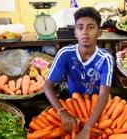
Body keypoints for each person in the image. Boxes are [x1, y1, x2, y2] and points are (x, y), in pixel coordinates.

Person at [44, 7, 114, 139]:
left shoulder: (106, 59)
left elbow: (104, 95)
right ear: (75, 32)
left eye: (91, 27)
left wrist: (88, 128)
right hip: (74, 105)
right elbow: (47, 86)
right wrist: (62, 112)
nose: (85, 32)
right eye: (80, 28)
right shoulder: (65, 54)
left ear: (99, 32)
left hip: (98, 107)